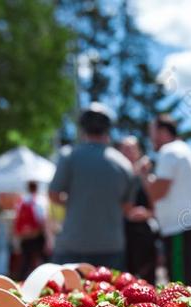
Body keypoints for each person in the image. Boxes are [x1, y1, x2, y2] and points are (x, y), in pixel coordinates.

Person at [49, 103, 136, 269]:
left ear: (82, 129)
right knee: (110, 294)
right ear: (108, 130)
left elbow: (53, 194)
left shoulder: (69, 156)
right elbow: (127, 207)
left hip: (72, 245)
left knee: (67, 294)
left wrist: (75, 203)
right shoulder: (124, 165)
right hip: (111, 246)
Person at [139, 115, 191, 284]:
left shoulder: (169, 152)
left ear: (162, 132)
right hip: (188, 228)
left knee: (180, 292)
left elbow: (157, 193)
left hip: (178, 231)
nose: (150, 138)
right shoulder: (185, 151)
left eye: (152, 132)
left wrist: (144, 175)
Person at [119, 136, 157, 284]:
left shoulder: (147, 176)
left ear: (138, 152)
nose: (128, 152)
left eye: (131, 149)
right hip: (121, 234)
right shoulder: (117, 175)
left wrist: (147, 214)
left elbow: (156, 205)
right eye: (124, 149)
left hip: (143, 234)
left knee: (147, 278)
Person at [14, 181, 51, 278]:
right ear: (36, 188)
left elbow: (17, 218)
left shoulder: (22, 200)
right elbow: (43, 220)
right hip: (37, 236)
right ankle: (44, 279)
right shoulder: (39, 201)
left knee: (25, 262)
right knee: (44, 261)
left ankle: (22, 281)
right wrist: (48, 239)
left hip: (25, 236)